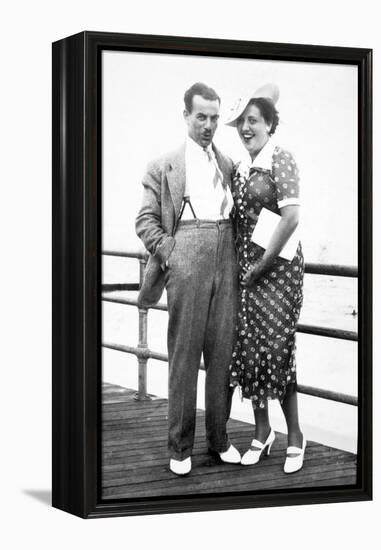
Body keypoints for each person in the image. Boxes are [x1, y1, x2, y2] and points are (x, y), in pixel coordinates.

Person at [135, 82, 241, 476]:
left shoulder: (227, 165)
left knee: (222, 355)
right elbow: (144, 221)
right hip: (187, 255)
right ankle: (179, 446)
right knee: (184, 356)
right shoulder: (163, 166)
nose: (209, 125)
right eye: (201, 117)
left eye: (214, 118)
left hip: (225, 253)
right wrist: (172, 252)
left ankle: (219, 439)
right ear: (186, 117)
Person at [226, 83, 306, 474]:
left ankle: (295, 435)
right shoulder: (240, 167)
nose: (246, 127)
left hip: (279, 271)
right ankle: (262, 431)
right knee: (249, 348)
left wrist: (262, 265)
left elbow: (291, 218)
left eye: (253, 120)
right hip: (248, 271)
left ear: (270, 124)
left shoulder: (281, 158)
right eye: (241, 121)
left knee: (277, 349)